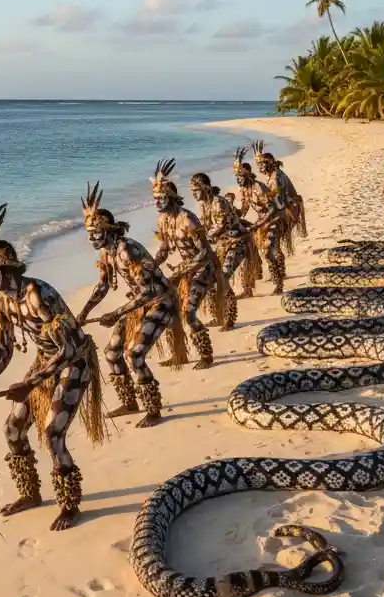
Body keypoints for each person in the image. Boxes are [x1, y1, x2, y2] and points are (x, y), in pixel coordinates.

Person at [0, 205, 106, 530]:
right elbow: (4, 348)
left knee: (52, 432)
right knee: (12, 429)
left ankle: (70, 504)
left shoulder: (37, 294)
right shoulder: (1, 301)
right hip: (45, 362)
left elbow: (69, 348)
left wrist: (30, 384)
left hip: (75, 361)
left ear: (8, 269)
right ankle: (30, 493)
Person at [78, 183, 187, 428]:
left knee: (133, 354)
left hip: (160, 303)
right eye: (89, 233)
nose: (91, 237)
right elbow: (103, 286)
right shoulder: (107, 253)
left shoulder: (127, 250)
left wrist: (115, 313)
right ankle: (129, 402)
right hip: (139, 306)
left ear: (108, 230)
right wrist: (83, 313)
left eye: (95, 232)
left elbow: (148, 291)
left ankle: (153, 409)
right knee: (111, 353)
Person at [148, 158, 223, 358]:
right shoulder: (162, 220)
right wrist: (152, 267)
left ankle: (206, 355)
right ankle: (179, 354)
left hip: (203, 269)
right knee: (171, 312)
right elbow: (164, 249)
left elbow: (204, 252)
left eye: (161, 198)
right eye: (155, 198)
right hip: (184, 269)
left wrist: (187, 269)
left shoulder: (187, 219)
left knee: (188, 313)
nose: (157, 202)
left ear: (171, 197)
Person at [189, 172, 260, 322]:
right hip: (222, 246)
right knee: (211, 279)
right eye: (192, 191)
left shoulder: (218, 203)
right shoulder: (203, 206)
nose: (193, 194)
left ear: (205, 188)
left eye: (195, 190)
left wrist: (203, 238)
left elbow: (220, 227)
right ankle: (219, 315)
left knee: (223, 278)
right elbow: (205, 228)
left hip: (237, 243)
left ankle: (229, 318)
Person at [234, 147, 288, 295]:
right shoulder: (244, 189)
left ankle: (279, 284)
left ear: (248, 176)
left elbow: (272, 208)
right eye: (236, 176)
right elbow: (243, 210)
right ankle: (248, 288)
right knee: (247, 250)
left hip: (274, 220)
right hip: (262, 221)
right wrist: (231, 212)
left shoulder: (258, 187)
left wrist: (259, 224)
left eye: (240, 176)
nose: (238, 179)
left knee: (268, 252)